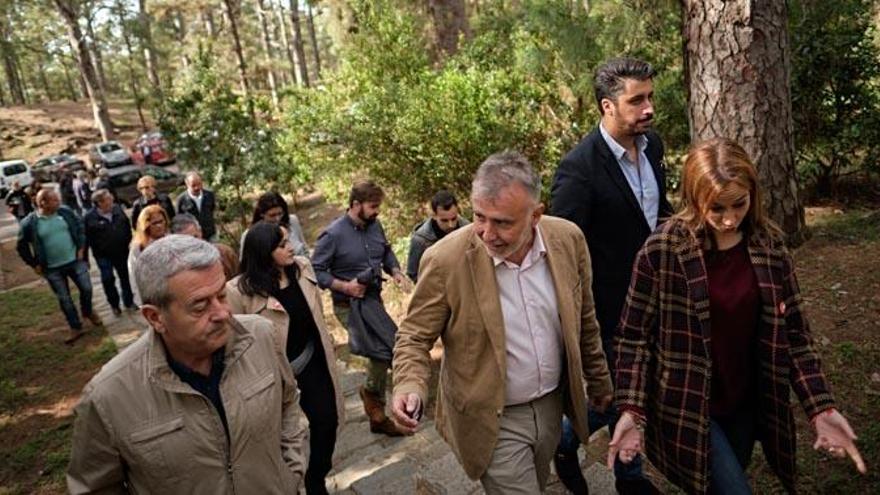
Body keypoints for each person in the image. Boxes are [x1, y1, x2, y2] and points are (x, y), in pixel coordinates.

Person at [610, 138, 868, 494]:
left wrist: (820, 408)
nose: (730, 219)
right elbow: (633, 337)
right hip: (687, 404)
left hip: (747, 400)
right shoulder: (663, 250)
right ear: (695, 199)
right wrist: (631, 409)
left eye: (739, 204)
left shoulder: (769, 248)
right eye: (716, 208)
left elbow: (795, 337)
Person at [391, 151, 612, 494]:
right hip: (492, 419)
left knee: (537, 483)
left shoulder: (568, 240)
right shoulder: (445, 259)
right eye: (480, 217)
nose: (486, 233)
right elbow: (414, 336)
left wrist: (598, 380)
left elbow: (584, 316)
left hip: (552, 407)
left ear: (536, 215)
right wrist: (409, 385)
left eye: (503, 223)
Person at [66, 235, 308, 493]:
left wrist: (291, 474)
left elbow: (289, 404)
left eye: (222, 296)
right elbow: (94, 487)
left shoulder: (261, 336)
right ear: (155, 317)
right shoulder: (108, 397)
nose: (222, 314)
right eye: (200, 306)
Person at [549, 56, 672, 494]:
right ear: (607, 106)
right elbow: (561, 255)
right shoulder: (578, 170)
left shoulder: (653, 146)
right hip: (611, 314)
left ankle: (565, 438)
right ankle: (626, 476)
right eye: (636, 100)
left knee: (642, 390)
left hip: (660, 301)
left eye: (650, 97)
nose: (648, 108)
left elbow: (657, 216)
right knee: (625, 396)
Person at [227, 222, 343, 495]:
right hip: (273, 374)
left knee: (327, 421)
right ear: (264, 252)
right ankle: (294, 483)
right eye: (281, 245)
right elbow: (233, 339)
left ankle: (316, 478)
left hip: (313, 361)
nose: (290, 247)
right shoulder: (239, 291)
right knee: (286, 435)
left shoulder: (302, 268)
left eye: (288, 240)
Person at [311, 180, 412, 437]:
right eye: (373, 206)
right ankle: (376, 406)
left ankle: (372, 399)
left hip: (373, 302)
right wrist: (345, 286)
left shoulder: (375, 225)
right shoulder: (332, 235)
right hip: (348, 305)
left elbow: (386, 251)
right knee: (380, 350)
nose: (377, 211)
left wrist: (396, 271)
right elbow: (316, 271)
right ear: (356, 205)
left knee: (393, 346)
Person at [16, 189, 102, 343]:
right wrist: (33, 264)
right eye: (55, 200)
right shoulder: (30, 223)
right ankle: (75, 326)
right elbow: (21, 246)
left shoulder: (65, 212)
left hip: (75, 260)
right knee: (65, 299)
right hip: (52, 268)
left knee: (87, 288)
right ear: (43, 203)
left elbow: (80, 228)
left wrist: (81, 248)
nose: (58, 202)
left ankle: (87, 311)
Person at [84, 189, 135, 316]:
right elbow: (86, 238)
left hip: (121, 251)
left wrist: (129, 242)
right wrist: (85, 258)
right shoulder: (89, 217)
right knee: (107, 279)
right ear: (100, 203)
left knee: (125, 277)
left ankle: (129, 302)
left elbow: (126, 226)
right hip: (103, 255)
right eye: (109, 200)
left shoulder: (117, 209)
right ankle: (114, 305)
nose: (112, 201)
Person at [405, 189, 470, 282]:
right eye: (444, 220)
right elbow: (413, 273)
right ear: (434, 215)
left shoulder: (467, 229)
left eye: (454, 219)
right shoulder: (420, 240)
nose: (451, 225)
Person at [240, 191, 309, 257]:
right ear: (261, 214)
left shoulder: (292, 221)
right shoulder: (249, 235)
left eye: (280, 214)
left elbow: (304, 247)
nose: (277, 219)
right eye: (272, 215)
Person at [174, 212, 240, 280]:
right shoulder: (177, 270)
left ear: (200, 231)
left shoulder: (225, 254)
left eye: (195, 237)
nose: (193, 244)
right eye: (187, 242)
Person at [128, 204, 170, 306]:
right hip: (153, 296)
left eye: (161, 221)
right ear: (146, 226)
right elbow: (134, 275)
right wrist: (140, 301)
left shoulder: (172, 240)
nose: (159, 226)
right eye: (154, 223)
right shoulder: (139, 248)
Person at [176, 171, 218, 241]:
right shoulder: (181, 200)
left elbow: (212, 209)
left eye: (199, 184)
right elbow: (179, 218)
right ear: (187, 184)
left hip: (210, 233)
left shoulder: (209, 195)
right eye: (193, 185)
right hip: (192, 237)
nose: (197, 188)